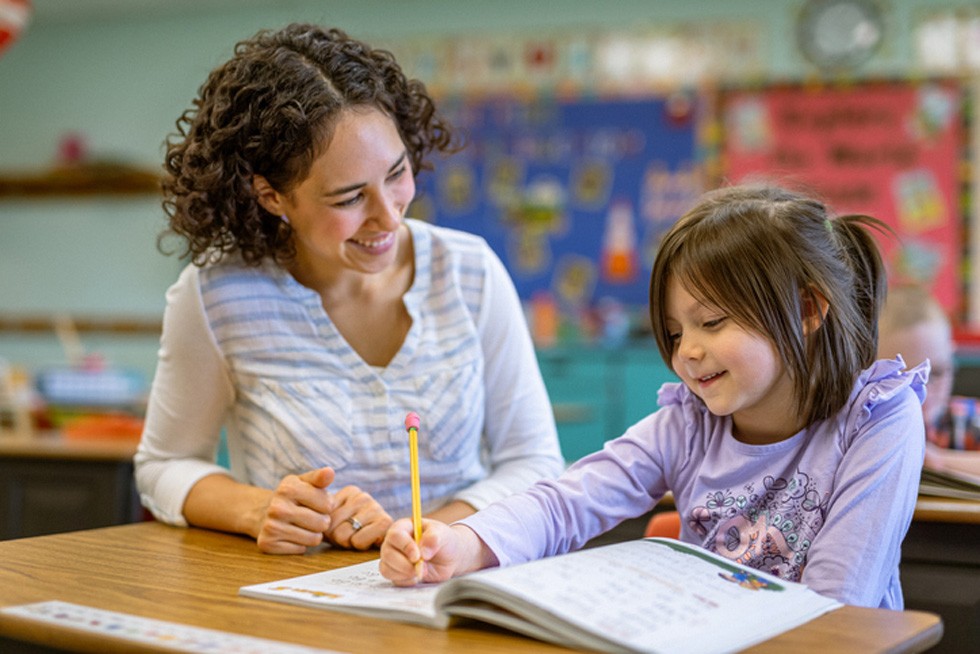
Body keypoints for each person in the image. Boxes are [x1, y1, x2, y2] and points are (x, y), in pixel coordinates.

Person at [381, 184, 927, 610]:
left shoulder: (878, 417)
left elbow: (838, 598)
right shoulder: (690, 423)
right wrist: (462, 542)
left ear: (808, 309)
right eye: (673, 333)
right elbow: (568, 500)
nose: (687, 352)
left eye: (711, 322)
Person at [134, 23, 564, 555]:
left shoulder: (469, 271)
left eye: (397, 172)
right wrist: (255, 508)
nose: (388, 215)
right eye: (348, 198)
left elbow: (535, 462)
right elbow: (164, 465)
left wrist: (428, 531)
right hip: (295, 603)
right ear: (272, 198)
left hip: (452, 584)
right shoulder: (216, 296)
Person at [877, 283, 980, 475]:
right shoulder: (862, 426)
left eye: (938, 372)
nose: (924, 389)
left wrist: (936, 458)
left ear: (952, 358)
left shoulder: (964, 418)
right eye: (905, 377)